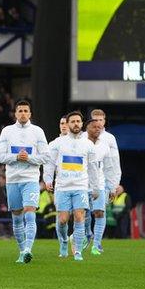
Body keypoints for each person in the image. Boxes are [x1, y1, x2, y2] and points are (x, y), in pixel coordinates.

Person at [0, 100, 49, 264]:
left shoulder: (38, 132)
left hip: (30, 179)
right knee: (17, 218)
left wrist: (30, 158)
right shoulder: (7, 131)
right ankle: (21, 251)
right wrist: (16, 157)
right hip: (12, 180)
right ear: (15, 113)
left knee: (30, 212)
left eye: (26, 110)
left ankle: (28, 249)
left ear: (30, 113)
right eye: (20, 111)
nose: (23, 113)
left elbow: (46, 156)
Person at [44, 112, 100, 261]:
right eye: (73, 121)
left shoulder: (88, 144)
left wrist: (95, 187)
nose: (76, 124)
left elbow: (93, 168)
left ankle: (78, 251)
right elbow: (49, 163)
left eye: (78, 121)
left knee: (79, 216)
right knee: (62, 220)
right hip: (62, 187)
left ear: (82, 124)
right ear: (67, 124)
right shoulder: (57, 143)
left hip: (81, 186)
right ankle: (63, 241)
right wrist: (48, 179)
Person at [85, 119, 113, 254]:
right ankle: (88, 234)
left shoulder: (105, 147)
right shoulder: (81, 144)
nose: (97, 129)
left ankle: (96, 245)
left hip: (100, 185)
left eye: (99, 127)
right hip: (82, 184)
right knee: (83, 214)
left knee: (99, 213)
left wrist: (111, 187)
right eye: (94, 127)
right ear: (87, 128)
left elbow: (109, 168)